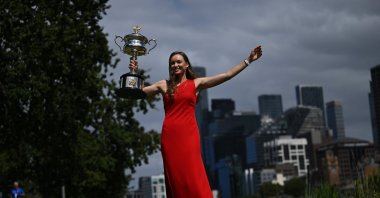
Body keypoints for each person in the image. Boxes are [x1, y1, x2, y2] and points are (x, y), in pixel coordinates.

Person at [129, 46, 262, 197]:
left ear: (186, 65)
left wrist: (248, 60)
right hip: (170, 136)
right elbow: (137, 93)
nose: (175, 65)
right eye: (172, 63)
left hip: (188, 135)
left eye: (179, 62)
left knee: (192, 172)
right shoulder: (163, 85)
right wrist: (134, 72)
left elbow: (227, 75)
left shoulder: (196, 84)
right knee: (175, 176)